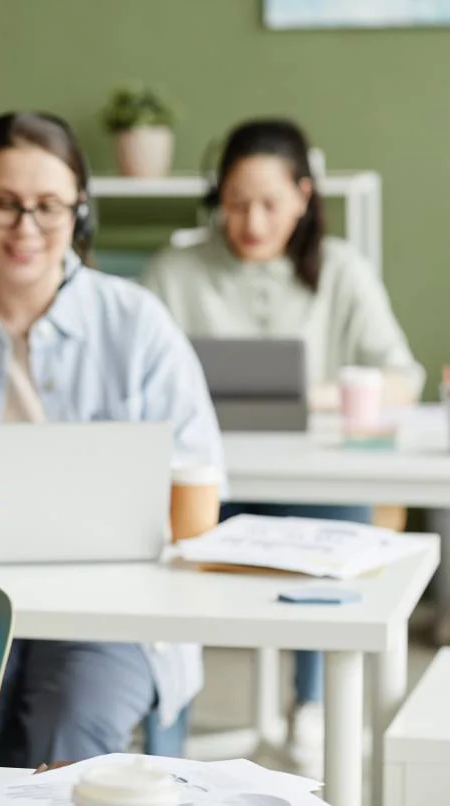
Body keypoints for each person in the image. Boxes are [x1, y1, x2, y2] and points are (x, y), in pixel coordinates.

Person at [0, 111, 224, 766]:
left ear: (80, 212)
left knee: (73, 731)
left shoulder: (137, 324)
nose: (25, 229)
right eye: (4, 205)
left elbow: (195, 497)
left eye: (47, 207)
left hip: (109, 612)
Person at [141, 118, 424, 776]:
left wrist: (314, 394)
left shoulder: (342, 271)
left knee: (342, 524)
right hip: (205, 487)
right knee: (159, 554)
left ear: (303, 195)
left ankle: (314, 706)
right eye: (235, 203)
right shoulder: (173, 271)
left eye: (269, 203)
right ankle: (165, 728)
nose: (251, 220)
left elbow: (401, 377)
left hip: (311, 488)